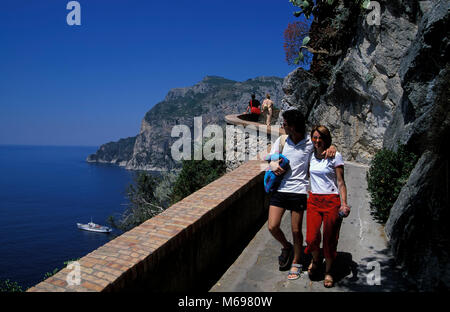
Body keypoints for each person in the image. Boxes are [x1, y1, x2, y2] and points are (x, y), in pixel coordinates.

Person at [268, 110, 336, 280]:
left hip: (298, 191)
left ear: (292, 126)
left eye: (284, 123)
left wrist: (333, 148)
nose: (282, 125)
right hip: (280, 189)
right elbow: (269, 158)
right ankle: (286, 246)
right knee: (272, 226)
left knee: (296, 230)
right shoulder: (282, 140)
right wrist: (273, 165)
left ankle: (297, 261)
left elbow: (323, 144)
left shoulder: (309, 142)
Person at [305, 125, 350, 288]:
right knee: (311, 237)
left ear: (326, 139)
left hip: (331, 200)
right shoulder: (310, 154)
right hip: (314, 200)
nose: (317, 141)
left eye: (320, 138)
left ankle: (329, 271)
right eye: (315, 137)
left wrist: (344, 203)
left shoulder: (335, 156)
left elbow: (340, 182)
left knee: (330, 238)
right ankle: (316, 259)